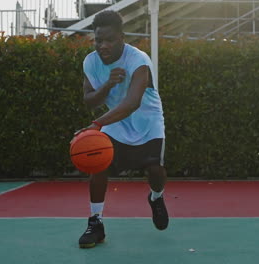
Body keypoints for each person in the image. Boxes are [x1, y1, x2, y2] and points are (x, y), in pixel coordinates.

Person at [73, 10, 169, 249]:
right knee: (98, 163)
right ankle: (96, 223)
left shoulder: (138, 60)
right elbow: (89, 101)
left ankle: (156, 197)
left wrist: (97, 124)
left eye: (109, 40)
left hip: (148, 121)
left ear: (122, 38)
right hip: (114, 122)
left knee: (155, 170)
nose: (102, 45)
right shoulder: (91, 62)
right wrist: (107, 84)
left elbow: (132, 102)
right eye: (98, 40)